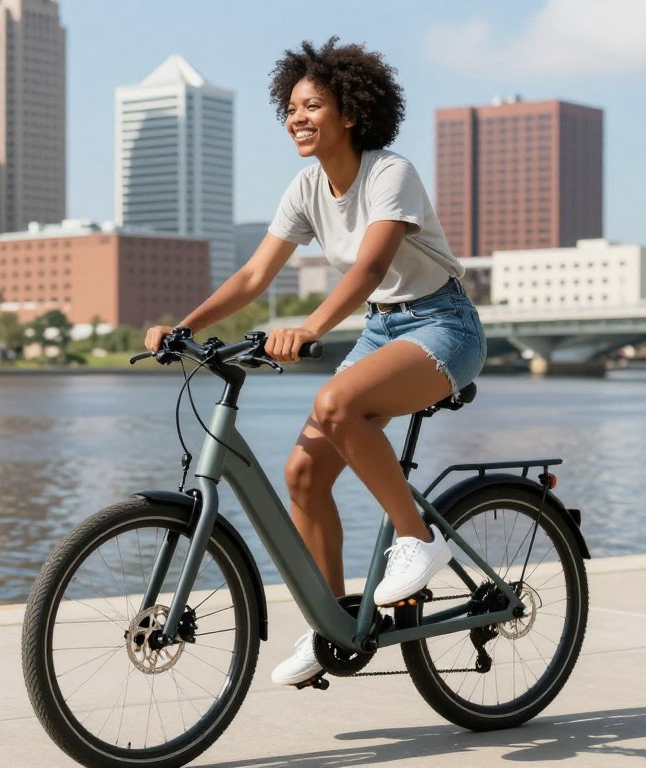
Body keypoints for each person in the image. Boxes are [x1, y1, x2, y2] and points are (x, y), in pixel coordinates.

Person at [144, 37, 486, 687]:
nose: (297, 118)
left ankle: (418, 540)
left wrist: (310, 327)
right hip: (382, 330)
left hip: (442, 326)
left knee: (336, 405)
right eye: (292, 108)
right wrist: (184, 328)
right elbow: (252, 275)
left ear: (350, 113)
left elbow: (372, 266)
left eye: (313, 105)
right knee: (302, 473)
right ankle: (332, 623)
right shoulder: (305, 187)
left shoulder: (391, 173)